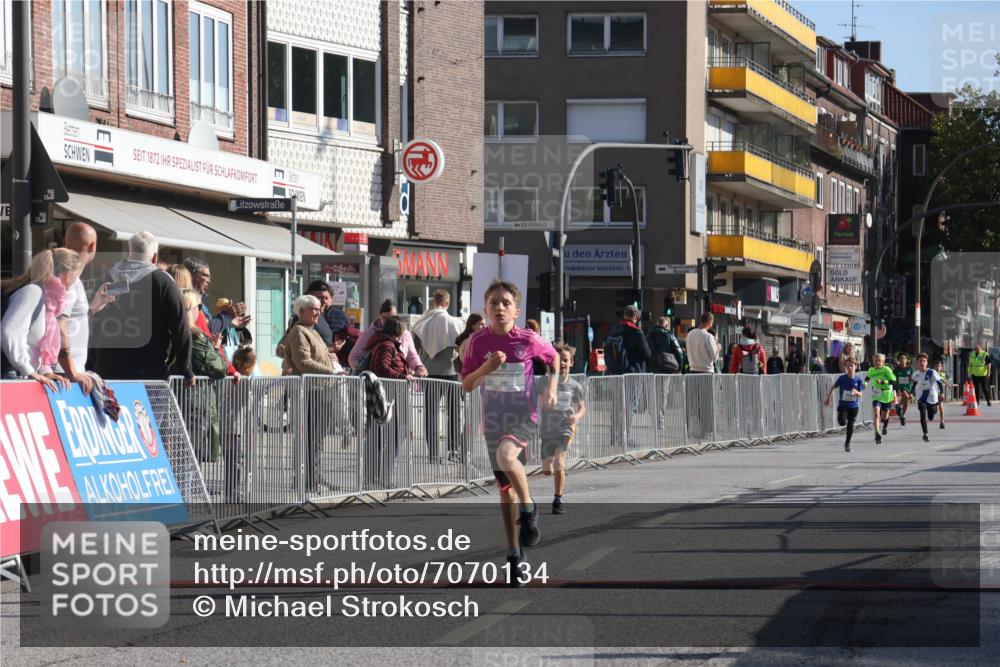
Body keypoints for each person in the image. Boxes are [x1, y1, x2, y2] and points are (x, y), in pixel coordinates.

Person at [460, 280, 557, 585]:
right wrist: (486, 369)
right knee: (505, 492)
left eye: (505, 303)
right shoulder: (477, 342)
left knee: (506, 456)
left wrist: (551, 389)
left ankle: (529, 510)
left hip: (523, 416)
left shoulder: (528, 339)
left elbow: (553, 359)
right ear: (486, 310)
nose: (499, 308)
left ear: (516, 309)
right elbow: (466, 383)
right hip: (493, 421)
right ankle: (514, 554)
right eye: (493, 303)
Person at [92, 232, 194, 384]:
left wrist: (92, 363)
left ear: (128, 252)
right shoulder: (163, 281)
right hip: (148, 369)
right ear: (154, 257)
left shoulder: (107, 278)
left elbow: (94, 322)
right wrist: (186, 369)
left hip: (107, 366)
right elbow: (180, 328)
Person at [1, 249, 82, 391]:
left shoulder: (48, 302)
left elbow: (38, 345)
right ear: (67, 275)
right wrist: (28, 370)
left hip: (18, 376)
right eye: (78, 273)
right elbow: (10, 331)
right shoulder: (33, 292)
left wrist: (45, 371)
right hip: (9, 376)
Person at [280, 294, 336, 491]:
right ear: (301, 311)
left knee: (317, 439)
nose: (318, 312)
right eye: (314, 308)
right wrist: (331, 371)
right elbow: (303, 362)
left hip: (322, 390)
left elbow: (317, 357)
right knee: (310, 439)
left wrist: (331, 359)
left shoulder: (313, 331)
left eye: (319, 308)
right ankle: (308, 480)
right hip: (310, 391)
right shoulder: (299, 332)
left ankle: (315, 477)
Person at [57, 222, 115, 393]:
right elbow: (59, 325)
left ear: (64, 242)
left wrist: (95, 306)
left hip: (66, 372)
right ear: (93, 246)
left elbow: (70, 320)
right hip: (65, 376)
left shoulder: (72, 278)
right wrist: (72, 372)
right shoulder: (69, 279)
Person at [412, 289, 464, 463]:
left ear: (434, 301)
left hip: (429, 371)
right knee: (454, 413)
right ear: (447, 303)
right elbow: (461, 346)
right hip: (449, 372)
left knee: (431, 413)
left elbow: (415, 346)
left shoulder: (422, 321)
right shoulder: (454, 322)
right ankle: (453, 450)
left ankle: (433, 453)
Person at [177, 289, 228, 462]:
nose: (201, 311)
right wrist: (214, 349)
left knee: (185, 452)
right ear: (191, 308)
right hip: (195, 401)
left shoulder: (177, 331)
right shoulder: (193, 334)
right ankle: (189, 489)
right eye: (199, 306)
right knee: (190, 454)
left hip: (187, 399)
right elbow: (219, 368)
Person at [537, 343, 586, 515]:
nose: (563, 364)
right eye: (560, 361)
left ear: (571, 362)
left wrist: (577, 417)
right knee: (547, 470)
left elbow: (581, 407)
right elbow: (534, 402)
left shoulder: (575, 386)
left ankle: (558, 499)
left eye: (566, 360)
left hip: (566, 428)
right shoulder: (544, 382)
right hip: (547, 429)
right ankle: (554, 471)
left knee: (559, 462)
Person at [366, 316, 414, 488]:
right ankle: (381, 477)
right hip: (387, 396)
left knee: (390, 436)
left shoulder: (387, 344)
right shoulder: (387, 345)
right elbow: (381, 368)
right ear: (398, 330)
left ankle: (380, 477)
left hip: (390, 396)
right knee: (390, 436)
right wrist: (402, 376)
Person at [350, 300, 427, 379]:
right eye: (384, 318)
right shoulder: (371, 334)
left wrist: (419, 367)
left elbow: (412, 356)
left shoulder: (405, 334)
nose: (388, 321)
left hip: (399, 382)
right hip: (381, 382)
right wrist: (367, 375)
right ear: (379, 316)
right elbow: (353, 357)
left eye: (392, 318)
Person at [824, 358, 864, 452]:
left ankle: (847, 444)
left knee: (850, 425)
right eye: (847, 366)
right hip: (843, 405)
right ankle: (843, 421)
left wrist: (856, 392)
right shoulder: (842, 378)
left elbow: (861, 394)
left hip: (853, 407)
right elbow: (833, 387)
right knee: (842, 422)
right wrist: (828, 398)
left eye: (851, 366)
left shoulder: (858, 380)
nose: (849, 368)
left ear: (856, 367)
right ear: (845, 367)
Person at [605, 305, 651, 375]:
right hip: (633, 373)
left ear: (624, 315)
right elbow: (647, 354)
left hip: (616, 373)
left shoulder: (615, 329)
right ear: (635, 317)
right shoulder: (637, 332)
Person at [864, 353, 896, 445]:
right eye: (876, 361)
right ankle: (877, 433)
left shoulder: (886, 369)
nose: (877, 362)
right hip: (876, 394)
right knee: (876, 414)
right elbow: (867, 378)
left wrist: (883, 381)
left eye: (879, 361)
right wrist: (864, 384)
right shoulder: (871, 370)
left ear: (883, 362)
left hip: (886, 394)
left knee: (884, 416)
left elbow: (893, 382)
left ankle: (884, 423)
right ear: (873, 361)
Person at [911, 353, 942, 442]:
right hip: (921, 398)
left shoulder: (931, 372)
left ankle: (934, 410)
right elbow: (914, 384)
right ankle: (925, 433)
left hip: (932, 398)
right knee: (922, 415)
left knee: (931, 416)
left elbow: (939, 383)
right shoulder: (915, 374)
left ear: (926, 363)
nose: (922, 363)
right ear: (917, 363)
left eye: (924, 361)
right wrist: (911, 393)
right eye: (920, 361)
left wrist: (942, 393)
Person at [893, 352, 914, 426]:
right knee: (906, 396)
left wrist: (912, 390)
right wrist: (895, 388)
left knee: (906, 403)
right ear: (898, 360)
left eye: (904, 358)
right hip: (901, 387)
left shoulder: (910, 368)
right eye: (901, 359)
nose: (903, 360)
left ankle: (902, 415)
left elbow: (912, 379)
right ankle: (899, 406)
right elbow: (893, 379)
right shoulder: (896, 370)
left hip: (908, 387)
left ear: (906, 360)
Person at [933, 359, 950, 429]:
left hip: (940, 393)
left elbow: (944, 380)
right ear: (934, 367)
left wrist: (948, 385)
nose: (938, 368)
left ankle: (942, 422)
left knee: (941, 406)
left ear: (941, 367)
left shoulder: (942, 374)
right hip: (933, 394)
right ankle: (934, 408)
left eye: (939, 366)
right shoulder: (932, 374)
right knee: (935, 408)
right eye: (936, 366)